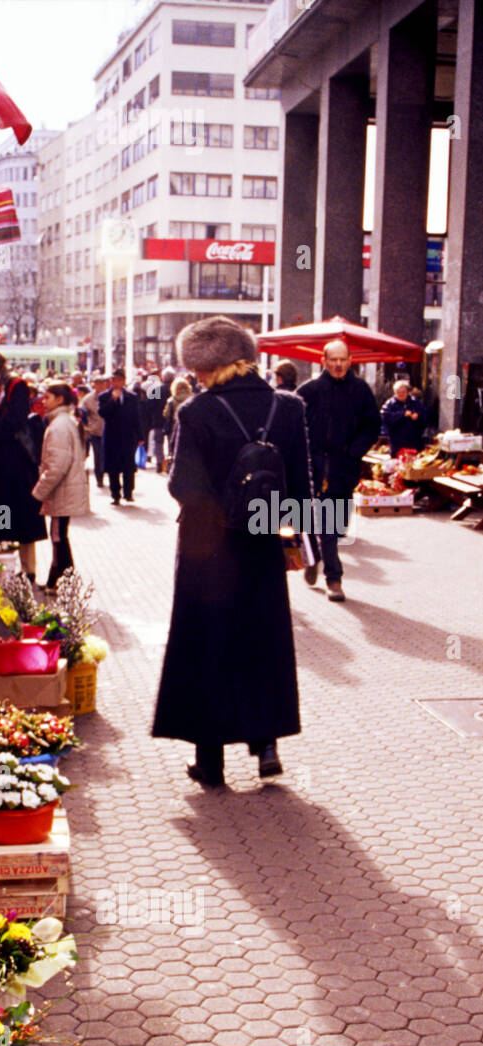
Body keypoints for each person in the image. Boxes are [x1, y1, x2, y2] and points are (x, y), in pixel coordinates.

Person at [153, 317, 313, 789]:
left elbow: (184, 485)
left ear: (206, 366)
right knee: (263, 639)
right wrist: (292, 539)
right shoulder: (288, 407)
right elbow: (300, 486)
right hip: (264, 541)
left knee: (207, 645)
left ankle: (211, 762)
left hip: (209, 549)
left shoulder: (196, 411)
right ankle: (266, 745)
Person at [296, 338, 381, 601]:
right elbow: (293, 427)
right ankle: (334, 578)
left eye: (343, 359)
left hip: (344, 469)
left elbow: (372, 427)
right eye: (333, 359)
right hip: (315, 468)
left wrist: (352, 452)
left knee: (338, 526)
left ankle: (314, 558)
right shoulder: (309, 391)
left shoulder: (361, 390)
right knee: (326, 525)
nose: (338, 364)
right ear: (323, 361)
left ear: (350, 361)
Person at [0, 347, 47, 581]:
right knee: (3, 507)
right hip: (0, 459)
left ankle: (28, 568)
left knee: (22, 512)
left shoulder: (16, 386)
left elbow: (15, 421)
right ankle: (5, 551)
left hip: (16, 461)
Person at [32, 381, 89, 587]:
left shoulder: (59, 426)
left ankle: (64, 582)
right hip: (64, 490)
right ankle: (55, 580)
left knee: (58, 536)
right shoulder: (63, 422)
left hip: (62, 490)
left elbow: (57, 466)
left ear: (60, 399)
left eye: (47, 397)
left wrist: (38, 492)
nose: (43, 401)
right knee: (59, 536)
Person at [98, 368, 145, 505]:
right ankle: (115, 494)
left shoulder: (132, 397)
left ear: (124, 381)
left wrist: (140, 436)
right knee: (113, 467)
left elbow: (137, 417)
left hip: (128, 436)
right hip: (112, 436)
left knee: (128, 466)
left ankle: (128, 492)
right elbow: (103, 413)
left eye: (119, 380)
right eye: (114, 380)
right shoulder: (104, 397)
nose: (116, 383)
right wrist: (113, 400)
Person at [381, 379, 427, 455]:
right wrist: (402, 414)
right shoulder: (390, 404)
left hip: (414, 440)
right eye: (398, 392)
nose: (401, 394)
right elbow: (385, 418)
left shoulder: (415, 402)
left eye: (403, 392)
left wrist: (418, 416)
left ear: (408, 392)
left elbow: (425, 416)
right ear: (395, 392)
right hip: (397, 442)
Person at [80, 374, 107, 488]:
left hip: (110, 431)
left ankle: (108, 473)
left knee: (108, 455)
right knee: (98, 455)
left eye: (102, 384)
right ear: (94, 385)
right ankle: (99, 478)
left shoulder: (110, 396)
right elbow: (81, 413)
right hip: (95, 432)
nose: (100, 386)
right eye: (98, 384)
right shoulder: (88, 399)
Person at [162, 376, 192, 472]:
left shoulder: (171, 400)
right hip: (190, 429)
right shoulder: (193, 398)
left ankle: (174, 469)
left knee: (174, 449)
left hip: (174, 428)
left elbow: (166, 414)